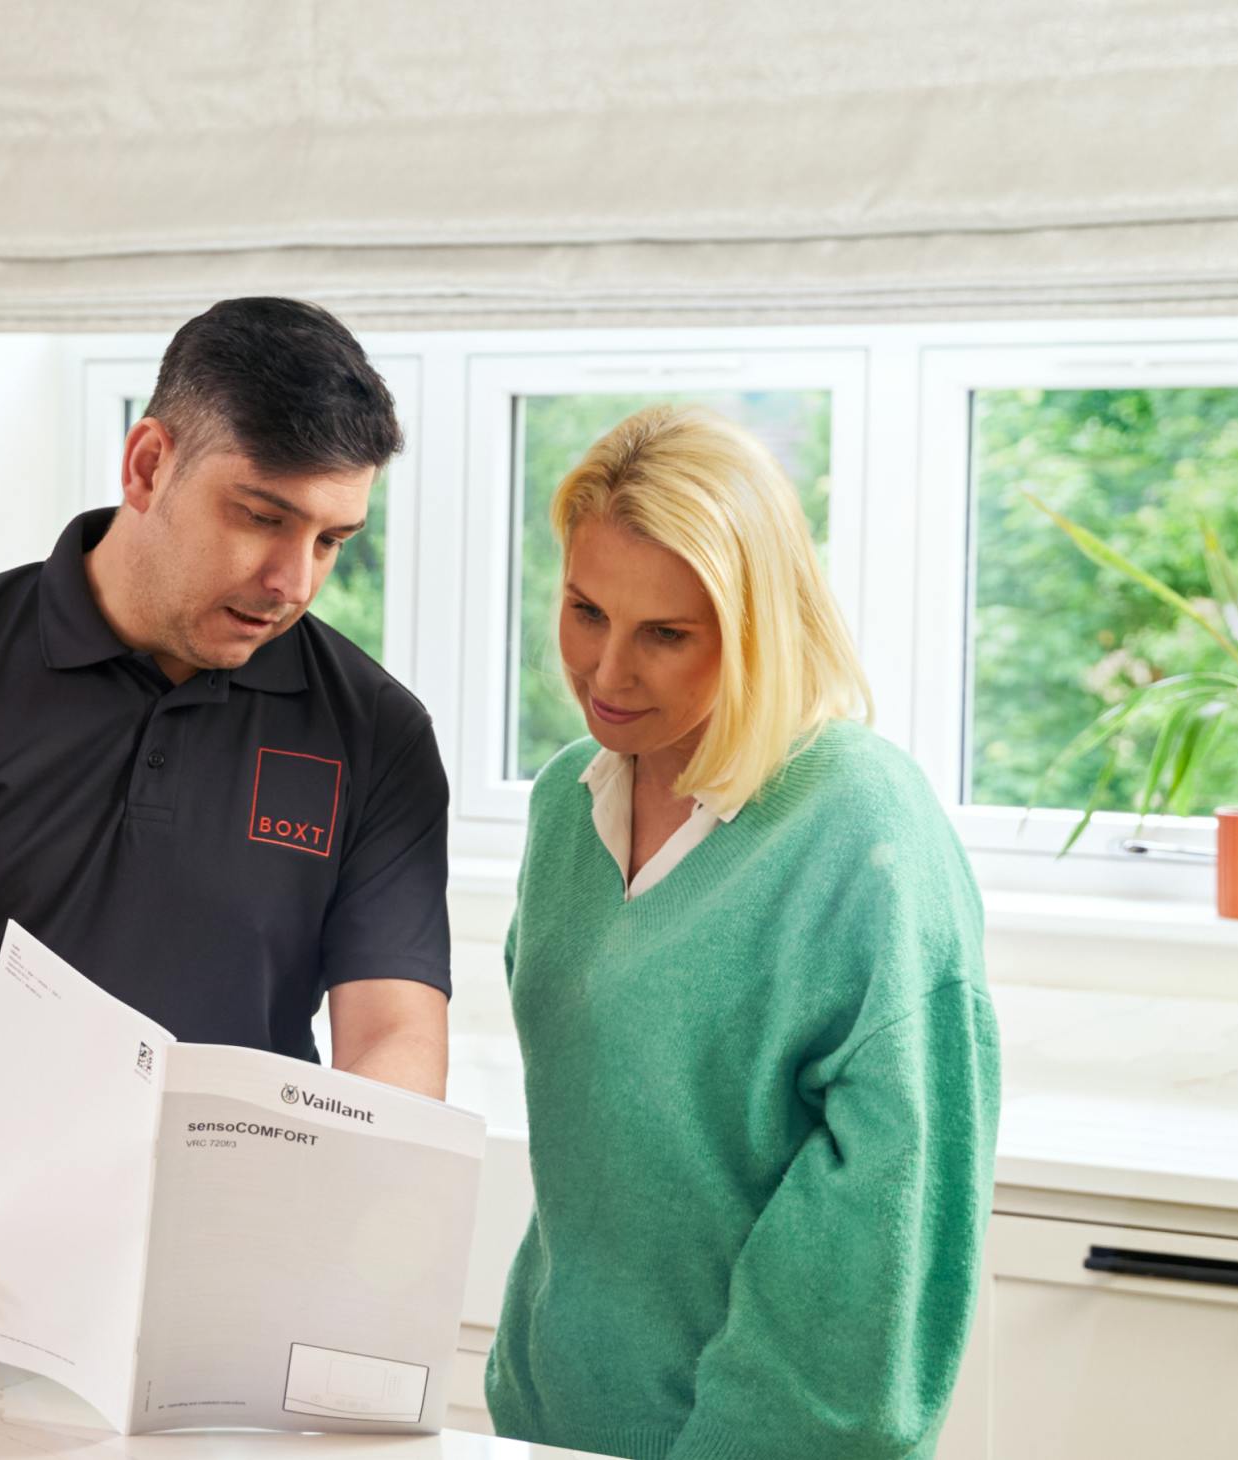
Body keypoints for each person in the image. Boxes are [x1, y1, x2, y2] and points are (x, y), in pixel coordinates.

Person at [0, 298, 452, 1336]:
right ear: (146, 463)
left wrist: (331, 1197)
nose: (291, 580)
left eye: (331, 538)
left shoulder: (376, 734)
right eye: (260, 516)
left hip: (204, 1326)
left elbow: (395, 1031)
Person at [485, 405, 1000, 1460]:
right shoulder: (563, 809)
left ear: (759, 625)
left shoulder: (862, 830)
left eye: (665, 633)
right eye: (586, 610)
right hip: (547, 1425)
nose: (605, 672)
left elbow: (883, 1246)